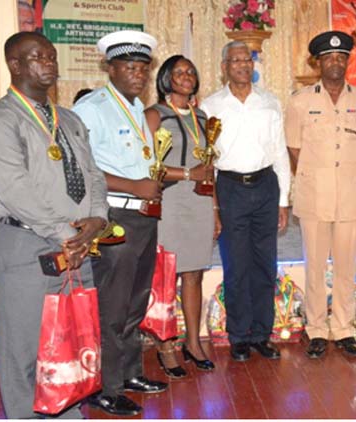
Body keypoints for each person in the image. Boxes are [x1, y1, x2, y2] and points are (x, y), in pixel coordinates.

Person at [0, 32, 108, 418]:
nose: (49, 62)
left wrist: (97, 220)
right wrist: (69, 235)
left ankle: (67, 414)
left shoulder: (70, 119)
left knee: (71, 345)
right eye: (37, 57)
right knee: (26, 354)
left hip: (77, 248)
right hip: (24, 247)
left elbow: (94, 175)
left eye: (51, 55)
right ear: (15, 65)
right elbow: (17, 192)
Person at [73, 30, 166, 416]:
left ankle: (129, 373)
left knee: (135, 302)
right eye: (129, 66)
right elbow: (83, 167)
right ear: (109, 67)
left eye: (143, 68)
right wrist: (135, 184)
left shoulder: (135, 105)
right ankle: (105, 387)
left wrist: (150, 184)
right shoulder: (91, 109)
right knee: (112, 306)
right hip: (114, 217)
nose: (138, 74)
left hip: (143, 216)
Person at [285, 31, 356, 359]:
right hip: (315, 196)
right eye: (328, 57)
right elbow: (294, 148)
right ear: (318, 62)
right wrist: (317, 176)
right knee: (314, 266)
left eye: (341, 57)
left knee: (346, 266)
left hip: (352, 196)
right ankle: (316, 328)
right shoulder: (300, 100)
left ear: (347, 61)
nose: (335, 62)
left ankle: (344, 328)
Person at [200, 41, 291, 362]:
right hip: (230, 189)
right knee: (236, 264)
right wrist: (212, 206)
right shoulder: (211, 106)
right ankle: (238, 335)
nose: (242, 65)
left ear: (253, 65)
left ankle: (261, 334)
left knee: (265, 264)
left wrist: (283, 199)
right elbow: (208, 160)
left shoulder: (270, 102)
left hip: (266, 186)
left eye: (246, 59)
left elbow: (280, 151)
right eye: (234, 60)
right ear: (224, 66)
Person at [144, 55, 218, 377]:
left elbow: (209, 168)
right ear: (166, 79)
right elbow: (146, 167)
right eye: (179, 72)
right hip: (169, 203)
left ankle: (193, 341)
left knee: (194, 275)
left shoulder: (203, 117)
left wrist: (215, 209)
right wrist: (189, 173)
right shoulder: (154, 115)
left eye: (191, 71)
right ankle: (166, 345)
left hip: (200, 204)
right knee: (166, 277)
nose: (186, 76)